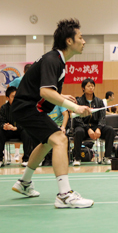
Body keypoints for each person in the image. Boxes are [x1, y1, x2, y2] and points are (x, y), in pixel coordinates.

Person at [10, 18, 93, 208]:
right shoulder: (52, 59)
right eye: (80, 37)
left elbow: (42, 89)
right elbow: (44, 92)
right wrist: (75, 108)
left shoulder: (57, 61)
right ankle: (64, 195)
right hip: (27, 108)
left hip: (28, 107)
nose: (84, 41)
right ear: (69, 41)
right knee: (60, 139)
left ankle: (24, 183)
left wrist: (62, 96)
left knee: (48, 143)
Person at [72, 78, 116, 166]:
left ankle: (107, 157)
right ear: (83, 88)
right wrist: (88, 129)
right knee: (78, 131)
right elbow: (77, 118)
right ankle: (77, 158)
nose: (91, 88)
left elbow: (102, 117)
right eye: (88, 86)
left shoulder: (99, 101)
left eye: (92, 86)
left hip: (96, 127)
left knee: (110, 130)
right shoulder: (79, 101)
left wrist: (99, 128)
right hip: (83, 127)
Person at [0, 86, 35, 167]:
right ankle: (0, 159)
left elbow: (26, 122)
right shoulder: (3, 108)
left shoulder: (23, 107)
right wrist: (4, 126)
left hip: (20, 131)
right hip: (8, 131)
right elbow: (1, 121)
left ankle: (26, 159)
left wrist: (16, 127)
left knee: (27, 132)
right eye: (13, 97)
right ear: (7, 98)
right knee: (0, 132)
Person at [8, 63, 32, 160]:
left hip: (29, 107)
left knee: (25, 129)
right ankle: (17, 152)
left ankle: (29, 153)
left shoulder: (34, 80)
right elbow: (9, 87)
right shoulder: (18, 80)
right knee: (16, 126)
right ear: (24, 72)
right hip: (19, 107)